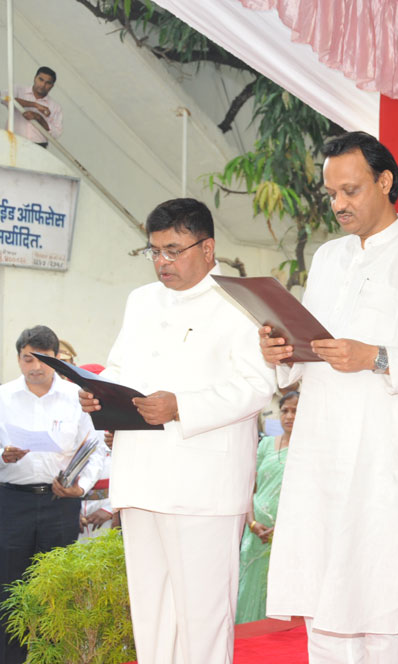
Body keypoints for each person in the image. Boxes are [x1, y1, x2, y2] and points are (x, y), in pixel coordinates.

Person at [260, 131, 398, 663]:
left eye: (350, 191)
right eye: (331, 195)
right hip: (320, 454)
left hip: (382, 462)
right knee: (323, 601)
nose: (339, 206)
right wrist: (283, 351)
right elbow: (311, 349)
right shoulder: (328, 259)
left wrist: (374, 356)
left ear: (385, 181)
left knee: (379, 607)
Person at [79, 198, 275, 663]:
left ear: (208, 249)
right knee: (151, 615)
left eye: (173, 250)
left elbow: (257, 387)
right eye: (153, 251)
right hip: (142, 474)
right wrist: (99, 399)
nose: (161, 262)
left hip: (203, 486)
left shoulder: (242, 300)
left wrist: (180, 407)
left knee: (204, 619)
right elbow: (121, 368)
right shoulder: (141, 300)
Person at [0, 325, 101, 664]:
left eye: (44, 359)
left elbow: (95, 448)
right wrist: (2, 456)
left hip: (61, 503)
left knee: (58, 589)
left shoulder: (77, 397)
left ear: (57, 359)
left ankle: (54, 658)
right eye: (28, 358)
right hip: (13, 502)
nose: (36, 367)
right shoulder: (3, 397)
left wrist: (81, 487)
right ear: (18, 359)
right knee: (10, 588)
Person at [236, 390, 298, 624]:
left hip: (288, 537)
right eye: (285, 411)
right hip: (256, 534)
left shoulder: (310, 450)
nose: (289, 416)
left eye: (295, 411)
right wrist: (251, 523)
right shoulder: (265, 446)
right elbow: (249, 487)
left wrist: (285, 527)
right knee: (249, 588)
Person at [1, 67, 62, 148]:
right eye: (41, 79)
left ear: (52, 86)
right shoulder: (18, 90)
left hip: (38, 147)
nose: (43, 85)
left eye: (48, 83)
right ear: (34, 78)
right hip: (12, 142)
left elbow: (56, 133)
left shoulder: (55, 107)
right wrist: (34, 105)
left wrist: (39, 118)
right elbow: (3, 98)